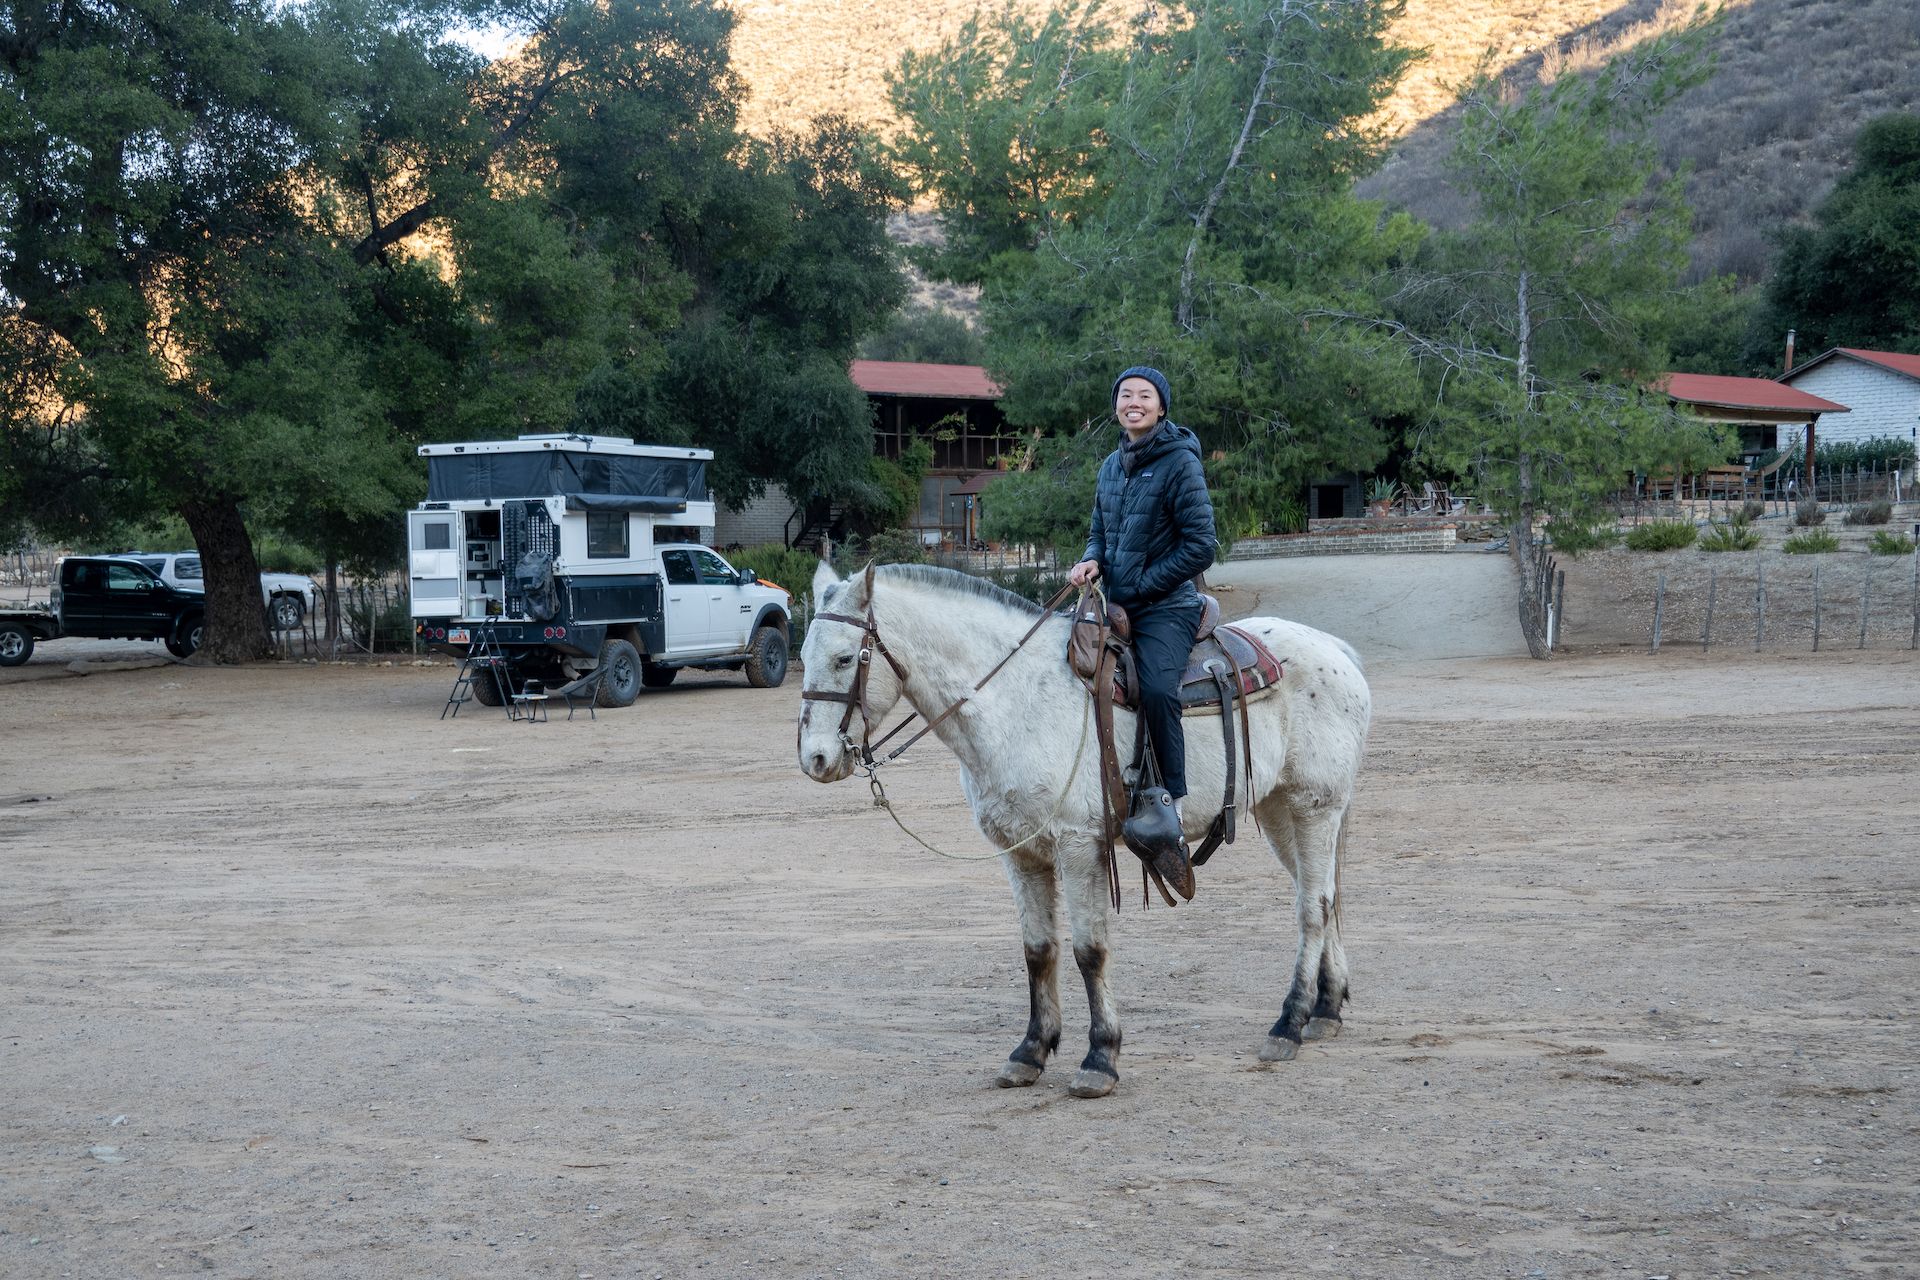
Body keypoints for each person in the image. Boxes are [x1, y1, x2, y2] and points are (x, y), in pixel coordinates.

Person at [1067, 366, 1217, 893]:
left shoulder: (1180, 462)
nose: (1133, 402)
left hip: (1168, 606)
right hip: (1114, 603)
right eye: (1125, 395)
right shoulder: (1112, 464)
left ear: (1160, 407)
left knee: (1155, 688)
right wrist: (1090, 562)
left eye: (1144, 396)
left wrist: (1142, 584)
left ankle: (1170, 804)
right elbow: (1099, 532)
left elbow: (1202, 545)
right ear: (1117, 407)